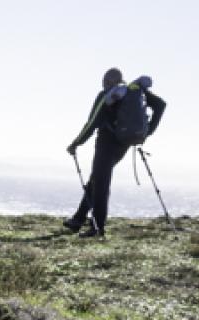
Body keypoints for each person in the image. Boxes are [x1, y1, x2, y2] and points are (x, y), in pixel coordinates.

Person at [65, 68, 166, 237]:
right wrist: (147, 132)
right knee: (98, 178)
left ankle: (97, 227)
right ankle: (78, 219)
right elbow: (161, 105)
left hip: (106, 143)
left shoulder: (106, 95)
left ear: (107, 82)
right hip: (124, 144)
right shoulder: (135, 93)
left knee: (101, 183)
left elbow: (91, 124)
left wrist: (76, 143)